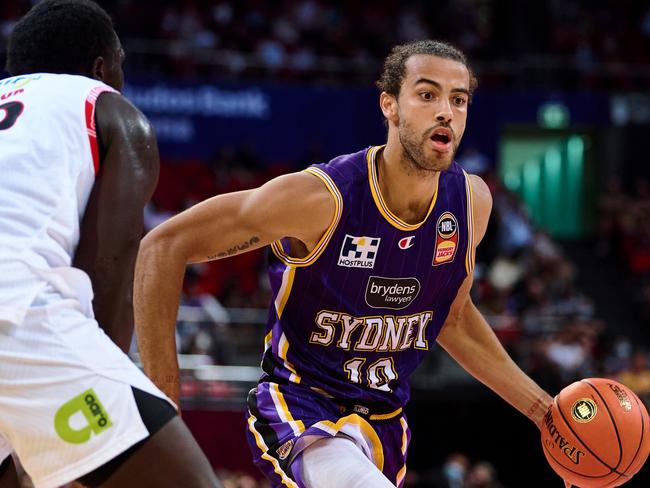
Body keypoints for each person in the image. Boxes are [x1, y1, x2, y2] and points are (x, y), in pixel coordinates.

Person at [134, 40, 554, 487]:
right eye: (427, 95)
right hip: (301, 409)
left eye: (459, 99)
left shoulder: (470, 203)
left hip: (385, 424)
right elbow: (163, 245)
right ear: (389, 105)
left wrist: (542, 410)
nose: (446, 111)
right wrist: (165, 403)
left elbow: (451, 318)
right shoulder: (323, 198)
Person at [0, 1, 221, 487]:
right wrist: (110, 384)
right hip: (17, 309)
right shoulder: (107, 106)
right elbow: (112, 262)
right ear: (101, 67)